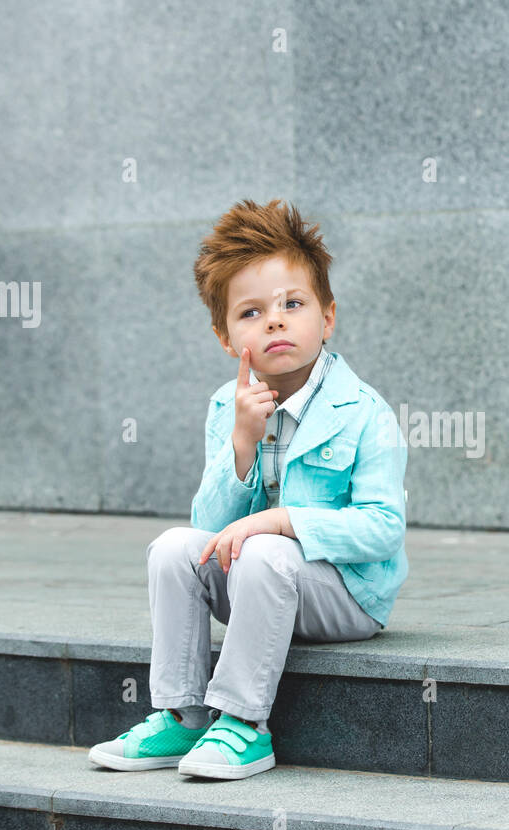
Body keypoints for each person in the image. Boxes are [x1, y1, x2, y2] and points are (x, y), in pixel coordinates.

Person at [89, 198, 409, 780]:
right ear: (224, 336)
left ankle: (242, 724)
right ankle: (181, 714)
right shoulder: (227, 406)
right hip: (258, 579)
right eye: (252, 312)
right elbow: (209, 527)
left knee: (266, 548)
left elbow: (383, 529)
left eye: (293, 304)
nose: (276, 321)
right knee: (172, 547)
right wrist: (243, 440)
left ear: (327, 317)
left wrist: (281, 521)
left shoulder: (364, 412)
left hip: (345, 596)